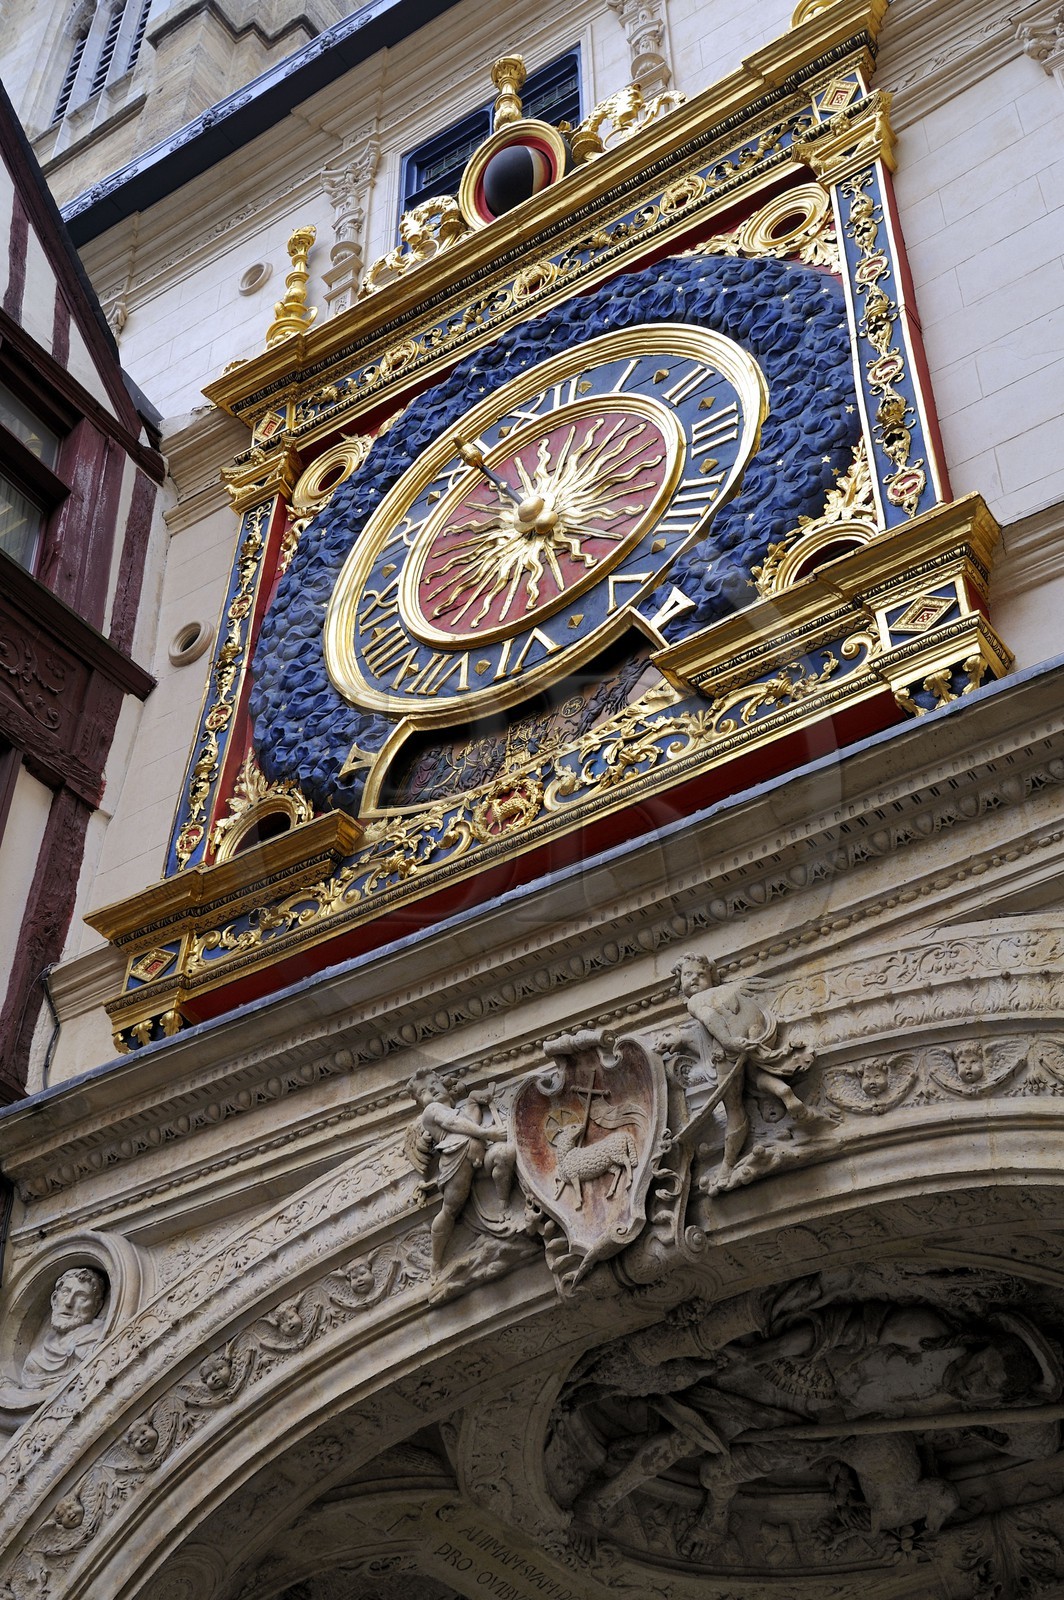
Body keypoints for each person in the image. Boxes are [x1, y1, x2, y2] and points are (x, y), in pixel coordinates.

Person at [406, 1070, 515, 1272]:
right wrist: (487, 1132)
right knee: (450, 1210)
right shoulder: (432, 1111)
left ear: (445, 1085)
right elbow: (452, 1123)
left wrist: (474, 1100)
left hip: (480, 1157)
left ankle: (505, 1206)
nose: (431, 1091)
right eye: (423, 1092)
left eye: (433, 1085)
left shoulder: (460, 1110)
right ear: (421, 1102)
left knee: (505, 1154)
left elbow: (469, 1121)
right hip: (457, 1160)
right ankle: (436, 1259)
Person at [20, 1268, 107, 1388]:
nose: (69, 1302)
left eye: (81, 1297)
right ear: (54, 1300)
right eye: (65, 1292)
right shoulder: (35, 1359)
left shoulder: (95, 1340)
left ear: (97, 1307)